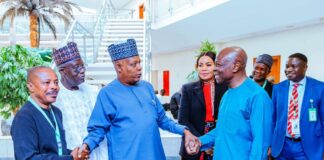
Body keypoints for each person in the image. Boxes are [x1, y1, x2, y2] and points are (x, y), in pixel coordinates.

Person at [81, 39, 199, 160]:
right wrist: (87, 145)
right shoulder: (107, 94)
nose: (139, 68)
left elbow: (163, 120)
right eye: (133, 64)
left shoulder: (147, 87)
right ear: (119, 67)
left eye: (139, 63)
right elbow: (97, 129)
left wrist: (185, 131)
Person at [187, 47, 273, 160]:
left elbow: (260, 144)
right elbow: (223, 129)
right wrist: (200, 142)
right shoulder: (227, 94)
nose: (214, 69)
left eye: (219, 64)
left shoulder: (257, 96)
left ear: (236, 66)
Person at [11, 66, 81, 160]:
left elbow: (55, 150)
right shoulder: (24, 117)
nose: (54, 87)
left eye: (56, 82)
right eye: (46, 83)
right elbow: (27, 158)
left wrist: (74, 154)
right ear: (31, 87)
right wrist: (70, 158)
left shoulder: (57, 112)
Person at [52, 42, 108, 160]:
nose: (82, 71)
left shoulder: (93, 92)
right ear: (62, 71)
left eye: (82, 66)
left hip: (97, 152)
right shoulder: (55, 98)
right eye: (76, 68)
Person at [271, 53, 324, 159]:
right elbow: (273, 118)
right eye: (287, 66)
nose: (289, 69)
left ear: (305, 67)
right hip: (282, 145)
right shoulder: (278, 88)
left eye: (294, 66)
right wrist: (270, 144)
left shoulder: (320, 88)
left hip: (308, 146)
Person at [178, 51, 227, 160]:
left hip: (219, 142)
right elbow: (183, 120)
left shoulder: (226, 88)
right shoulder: (188, 89)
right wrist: (203, 141)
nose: (203, 68)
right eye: (200, 65)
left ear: (216, 67)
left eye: (208, 65)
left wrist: (213, 142)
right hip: (193, 143)